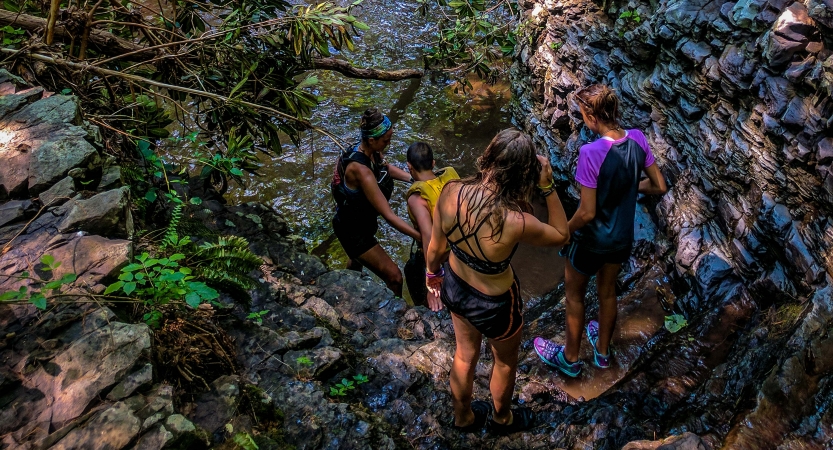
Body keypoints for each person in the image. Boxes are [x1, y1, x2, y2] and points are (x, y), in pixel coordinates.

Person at [424, 129, 570, 434]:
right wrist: (547, 185)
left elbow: (436, 248)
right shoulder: (515, 220)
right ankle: (503, 419)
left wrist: (432, 276)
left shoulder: (451, 191)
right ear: (523, 174)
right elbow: (561, 234)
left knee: (465, 355)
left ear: (489, 156)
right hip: (495, 302)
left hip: (455, 285)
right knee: (503, 363)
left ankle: (462, 417)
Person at [533, 84, 667, 377]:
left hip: (590, 241)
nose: (583, 120)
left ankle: (569, 359)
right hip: (621, 239)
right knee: (607, 294)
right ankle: (603, 354)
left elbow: (587, 211)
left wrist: (564, 232)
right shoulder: (638, 139)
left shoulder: (590, 152)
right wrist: (629, 187)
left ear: (592, 116)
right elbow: (659, 185)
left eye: (582, 115)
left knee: (575, 297)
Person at [331, 107, 421, 297]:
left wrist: (415, 180)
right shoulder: (360, 171)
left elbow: (386, 168)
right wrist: (421, 237)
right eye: (386, 140)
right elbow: (388, 215)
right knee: (395, 277)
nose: (389, 143)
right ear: (372, 139)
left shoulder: (370, 150)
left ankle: (347, 291)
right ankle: (396, 316)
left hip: (360, 222)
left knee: (356, 260)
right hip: (352, 231)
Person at [403, 142, 459, 306]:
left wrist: (432, 277)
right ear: (433, 163)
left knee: (412, 274)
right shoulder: (451, 177)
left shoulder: (417, 198)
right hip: (463, 248)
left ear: (409, 167)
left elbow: (429, 236)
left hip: (442, 256)